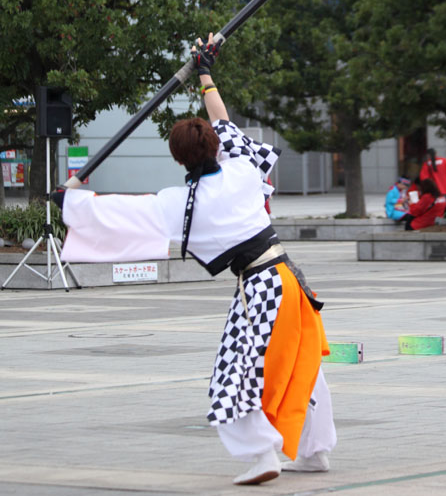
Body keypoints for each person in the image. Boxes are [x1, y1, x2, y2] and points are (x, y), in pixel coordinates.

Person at [54, 35, 336, 485]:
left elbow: (117, 213)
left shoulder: (178, 204)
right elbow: (224, 122)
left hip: (260, 291)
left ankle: (264, 454)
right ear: (214, 146)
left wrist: (69, 201)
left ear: (178, 157)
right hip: (290, 279)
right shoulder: (243, 171)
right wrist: (205, 73)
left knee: (236, 378)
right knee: (300, 364)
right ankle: (315, 450)